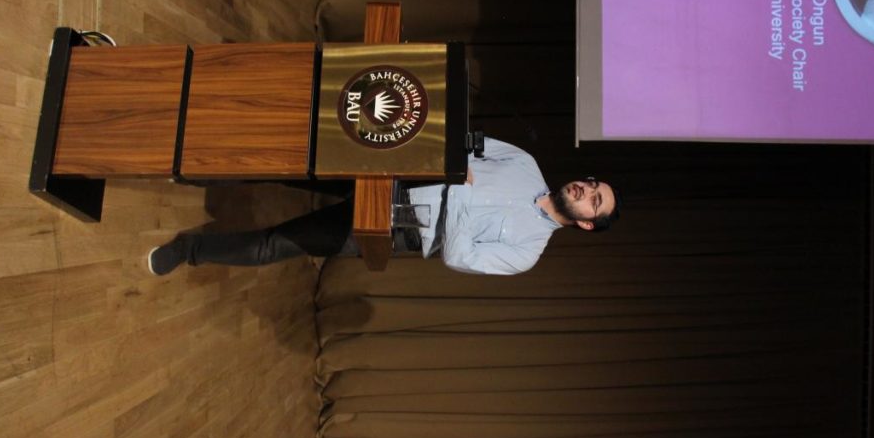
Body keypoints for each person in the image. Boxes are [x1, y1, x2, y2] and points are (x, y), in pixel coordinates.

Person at [147, 138, 619, 276]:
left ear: (587, 225)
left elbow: (459, 257)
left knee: (278, 244)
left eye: (594, 200)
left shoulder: (528, 251)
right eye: (592, 183)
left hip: (397, 228)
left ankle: (190, 250)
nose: (585, 189)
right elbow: (465, 143)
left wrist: (461, 191)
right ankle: (195, 170)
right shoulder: (526, 163)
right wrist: (456, 165)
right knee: (290, 166)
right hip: (398, 171)